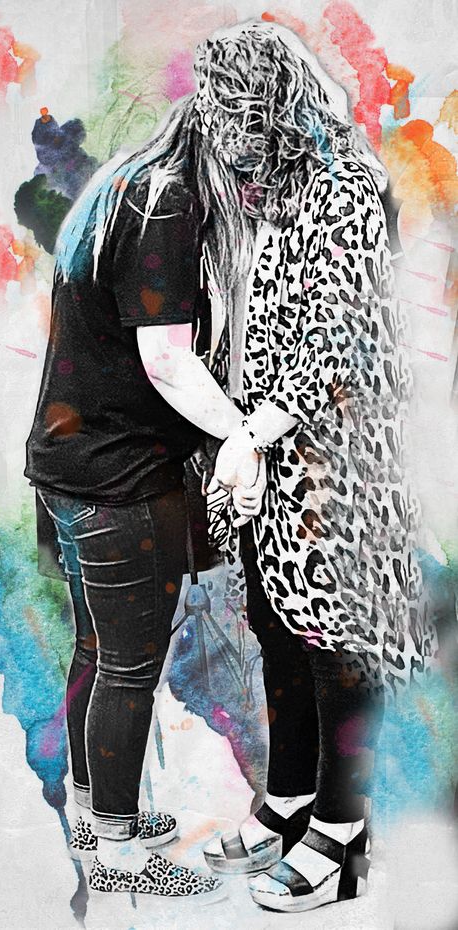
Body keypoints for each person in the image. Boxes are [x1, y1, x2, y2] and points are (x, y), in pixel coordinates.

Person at [195, 21, 431, 913]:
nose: (227, 134)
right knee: (274, 624)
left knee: (336, 647)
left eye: (237, 113)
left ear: (273, 105)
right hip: (280, 454)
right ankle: (289, 800)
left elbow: (336, 340)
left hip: (337, 461)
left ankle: (341, 833)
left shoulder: (343, 187)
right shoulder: (288, 190)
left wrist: (251, 436)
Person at [24, 94, 265, 898]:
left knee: (98, 651)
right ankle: (120, 853)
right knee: (129, 667)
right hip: (116, 475)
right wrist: (239, 434)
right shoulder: (170, 205)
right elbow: (166, 359)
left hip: (72, 462)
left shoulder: (129, 182)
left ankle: (97, 815)